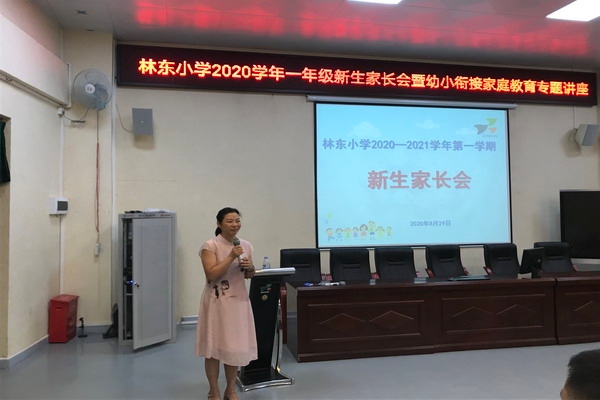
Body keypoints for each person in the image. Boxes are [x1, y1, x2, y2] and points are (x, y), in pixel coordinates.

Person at [196, 207, 257, 400]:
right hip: (217, 302)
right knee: (213, 349)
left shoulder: (245, 245)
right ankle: (213, 391)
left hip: (238, 302)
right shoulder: (210, 246)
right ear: (219, 224)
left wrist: (250, 268)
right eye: (230, 221)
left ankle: (230, 390)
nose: (235, 225)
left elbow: (249, 275)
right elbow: (212, 274)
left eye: (237, 221)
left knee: (234, 347)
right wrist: (231, 256)